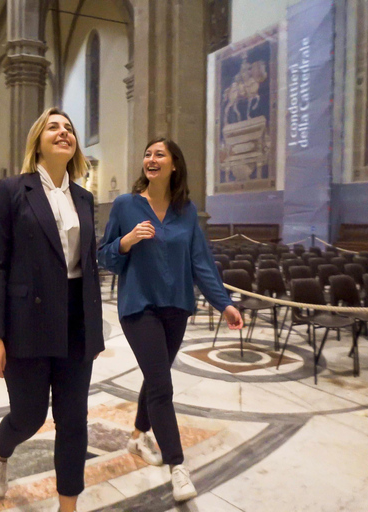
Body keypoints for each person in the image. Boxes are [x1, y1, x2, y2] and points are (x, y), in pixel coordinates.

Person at [98, 137, 243, 502]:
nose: (151, 158)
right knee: (163, 385)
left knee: (155, 375)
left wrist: (223, 303)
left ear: (174, 164)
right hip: (138, 307)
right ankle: (178, 466)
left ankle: (137, 437)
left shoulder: (187, 211)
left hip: (176, 306)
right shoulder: (126, 206)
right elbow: (104, 256)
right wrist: (126, 241)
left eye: (159, 154)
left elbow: (201, 263)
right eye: (147, 154)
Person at [0, 107, 104, 512]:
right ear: (38, 140)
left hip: (76, 322)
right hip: (27, 322)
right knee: (29, 416)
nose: (63, 132)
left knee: (73, 421)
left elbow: (87, 264)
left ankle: (68, 506)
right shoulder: (12, 190)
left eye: (69, 128)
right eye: (53, 127)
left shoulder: (84, 198)